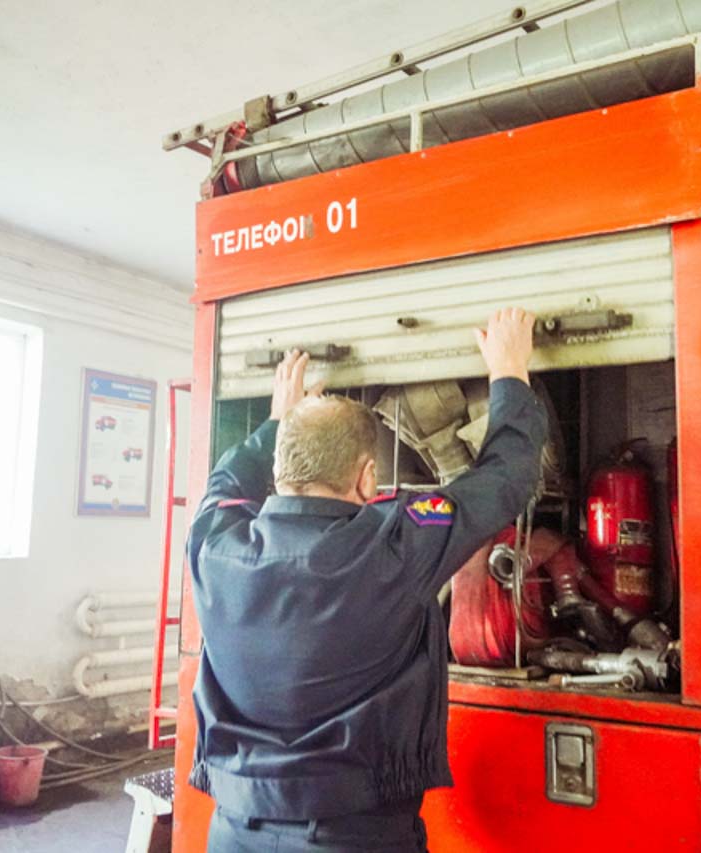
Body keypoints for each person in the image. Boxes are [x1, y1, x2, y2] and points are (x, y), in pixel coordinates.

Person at [188, 307, 547, 852]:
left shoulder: (213, 544)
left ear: (282, 470)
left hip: (233, 832)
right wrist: (510, 372)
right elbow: (504, 479)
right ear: (367, 478)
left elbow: (226, 480)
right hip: (354, 836)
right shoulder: (394, 545)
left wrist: (276, 420)